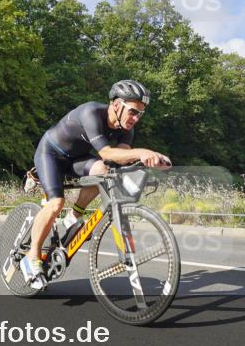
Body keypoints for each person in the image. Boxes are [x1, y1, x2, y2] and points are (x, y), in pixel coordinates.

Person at [21, 80, 172, 289]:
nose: (136, 119)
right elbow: (108, 153)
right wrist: (142, 152)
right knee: (55, 204)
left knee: (104, 170)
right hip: (51, 154)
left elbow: (117, 161)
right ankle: (32, 257)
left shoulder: (127, 129)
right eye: (133, 112)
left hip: (76, 159)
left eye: (140, 114)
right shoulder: (91, 113)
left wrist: (151, 162)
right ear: (117, 105)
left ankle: (74, 215)